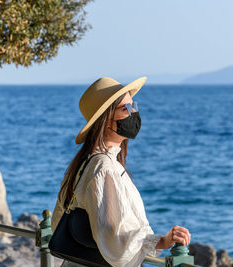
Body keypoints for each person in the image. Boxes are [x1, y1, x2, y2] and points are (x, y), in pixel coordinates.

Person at [51, 77, 191, 267]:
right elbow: (116, 239)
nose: (133, 113)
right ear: (105, 119)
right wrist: (163, 241)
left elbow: (56, 222)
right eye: (126, 108)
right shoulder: (104, 167)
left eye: (133, 106)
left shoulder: (84, 162)